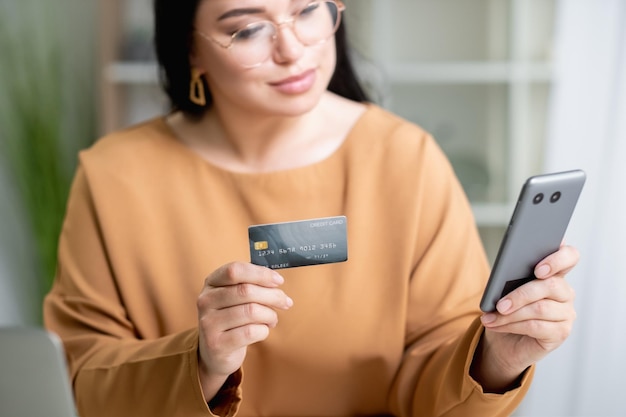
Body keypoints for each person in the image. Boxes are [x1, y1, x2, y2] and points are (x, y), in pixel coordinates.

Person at [43, 1, 579, 416]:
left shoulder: (405, 159)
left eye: (306, 10)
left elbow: (436, 371)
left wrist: (497, 358)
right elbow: (79, 377)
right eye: (248, 28)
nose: (293, 49)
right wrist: (201, 362)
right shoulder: (116, 176)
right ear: (190, 49)